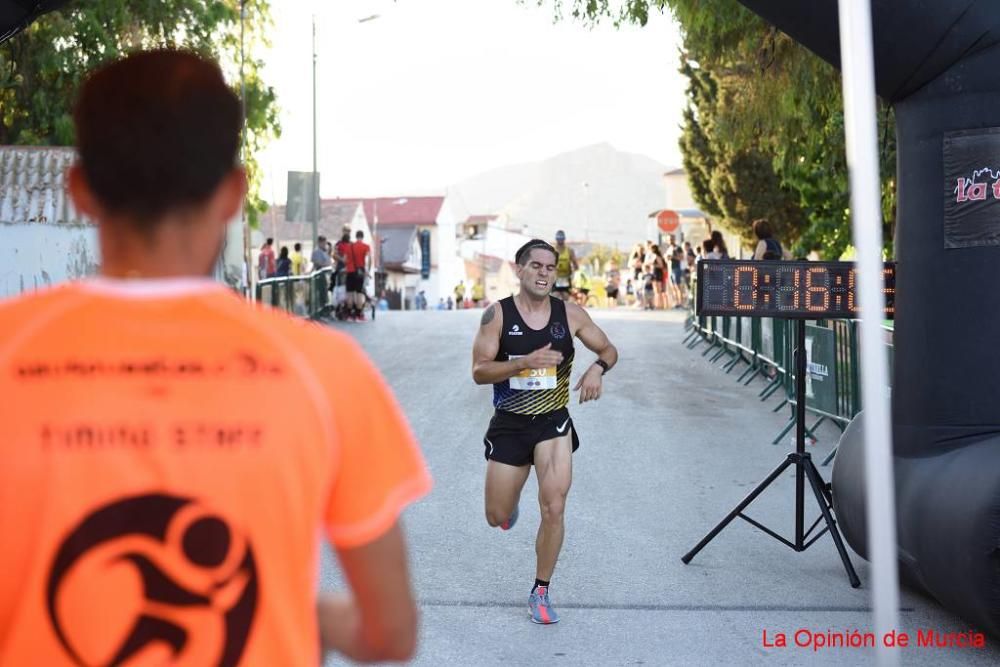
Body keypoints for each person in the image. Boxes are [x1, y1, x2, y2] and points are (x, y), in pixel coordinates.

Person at [0, 50, 432, 665]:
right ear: (233, 194)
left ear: (79, 189)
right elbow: (389, 632)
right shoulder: (324, 370)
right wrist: (296, 607)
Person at [471, 239, 618, 625]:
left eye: (550, 267)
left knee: (554, 506)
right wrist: (523, 363)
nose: (543, 273)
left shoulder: (569, 314)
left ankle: (541, 590)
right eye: (535, 266)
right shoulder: (497, 315)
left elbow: (608, 350)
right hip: (510, 423)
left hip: (553, 423)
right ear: (519, 270)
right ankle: (509, 501)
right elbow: (479, 371)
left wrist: (597, 369)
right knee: (495, 514)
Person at [345, 230, 370, 321]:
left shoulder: (349, 247)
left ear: (356, 236)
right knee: (359, 293)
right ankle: (359, 315)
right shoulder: (366, 247)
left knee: (350, 294)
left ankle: (349, 315)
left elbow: (345, 259)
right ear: (362, 237)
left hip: (349, 272)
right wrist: (367, 270)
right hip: (359, 272)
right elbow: (367, 259)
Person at [552, 230, 578, 301]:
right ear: (556, 239)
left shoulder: (569, 250)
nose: (560, 241)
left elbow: (575, 264)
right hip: (555, 278)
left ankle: (564, 311)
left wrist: (573, 272)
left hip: (566, 278)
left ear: (564, 239)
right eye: (559, 239)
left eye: (561, 239)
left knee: (565, 298)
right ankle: (556, 311)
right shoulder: (552, 250)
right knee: (555, 297)